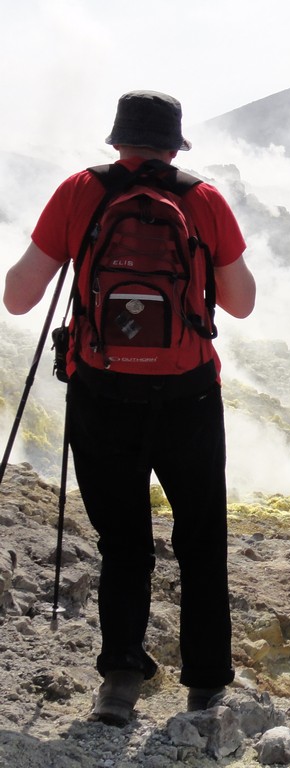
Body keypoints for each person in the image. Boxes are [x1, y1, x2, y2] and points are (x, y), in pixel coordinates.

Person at [3, 91, 256, 725]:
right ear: (174, 146)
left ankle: (119, 680)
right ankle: (205, 685)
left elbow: (17, 297)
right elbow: (243, 303)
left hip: (102, 396)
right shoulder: (202, 200)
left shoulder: (79, 193)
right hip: (189, 397)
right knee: (200, 540)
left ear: (117, 141)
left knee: (123, 544)